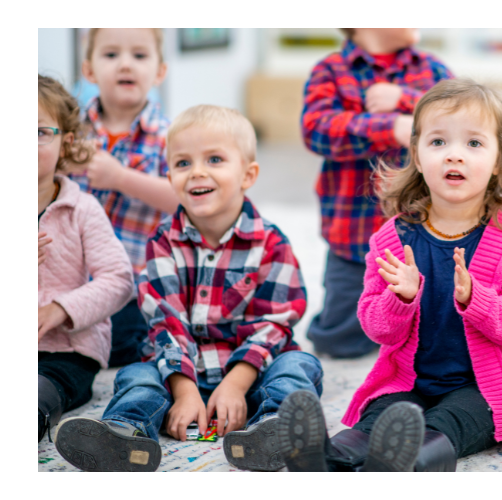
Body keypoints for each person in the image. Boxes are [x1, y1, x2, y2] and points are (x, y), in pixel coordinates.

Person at [276, 79, 502, 472]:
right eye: (438, 142)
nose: (455, 156)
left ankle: (408, 464)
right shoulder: (391, 237)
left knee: (449, 421)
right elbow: (376, 328)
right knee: (382, 415)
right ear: (416, 154)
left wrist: (477, 300)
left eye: (473, 144)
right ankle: (327, 457)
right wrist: (398, 298)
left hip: (479, 389)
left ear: (499, 159)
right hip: (408, 380)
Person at [54, 105, 323, 472]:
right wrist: (183, 389)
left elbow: (274, 323)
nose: (197, 171)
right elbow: (166, 323)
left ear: (248, 174)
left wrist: (235, 385)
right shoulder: (163, 241)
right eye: (183, 163)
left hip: (252, 370)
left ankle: (276, 427)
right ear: (170, 177)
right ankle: (125, 433)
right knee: (136, 376)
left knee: (298, 365)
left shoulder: (272, 243)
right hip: (177, 369)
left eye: (214, 159)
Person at [302, 28, 452, 358]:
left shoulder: (433, 70)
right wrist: (389, 127)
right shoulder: (330, 69)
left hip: (423, 232)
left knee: (436, 327)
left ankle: (405, 335)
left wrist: (404, 101)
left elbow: (460, 114)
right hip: (352, 237)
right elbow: (316, 129)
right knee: (338, 339)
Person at [67, 28, 179, 366]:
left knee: (123, 346)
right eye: (111, 54)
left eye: (140, 55)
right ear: (88, 70)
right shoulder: (70, 129)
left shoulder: (170, 135)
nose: (125, 65)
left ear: (160, 71)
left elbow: (184, 197)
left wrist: (121, 178)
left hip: (131, 285)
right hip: (69, 276)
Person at [38, 75, 134, 442]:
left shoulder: (83, 208)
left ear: (66, 143)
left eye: (40, 132)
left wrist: (59, 310)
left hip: (68, 351)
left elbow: (118, 279)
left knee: (41, 391)